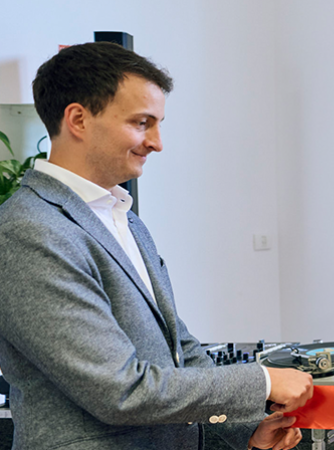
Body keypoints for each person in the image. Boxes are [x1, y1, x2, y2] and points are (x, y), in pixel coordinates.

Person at [0, 42, 314, 450]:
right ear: (78, 118)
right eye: (142, 122)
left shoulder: (125, 218)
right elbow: (120, 390)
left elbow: (179, 350)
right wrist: (264, 380)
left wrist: (245, 429)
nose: (157, 142)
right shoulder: (28, 231)